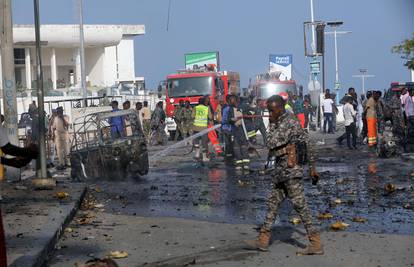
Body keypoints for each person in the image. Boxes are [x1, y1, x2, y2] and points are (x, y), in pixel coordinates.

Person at [244, 95, 322, 255]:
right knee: (273, 204)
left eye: (271, 111)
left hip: (291, 170)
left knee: (301, 206)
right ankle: (263, 240)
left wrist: (312, 167)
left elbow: (273, 143)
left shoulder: (288, 122)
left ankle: (316, 243)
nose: (269, 114)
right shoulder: (279, 121)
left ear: (280, 109)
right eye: (268, 111)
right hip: (281, 170)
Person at [226, 95, 250, 170]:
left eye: (231, 100)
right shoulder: (230, 109)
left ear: (235, 100)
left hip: (243, 129)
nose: (229, 101)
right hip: (235, 129)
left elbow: (250, 113)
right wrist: (232, 120)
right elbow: (228, 120)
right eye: (229, 100)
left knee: (243, 146)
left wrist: (245, 115)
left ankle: (246, 163)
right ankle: (239, 163)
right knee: (236, 147)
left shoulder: (243, 106)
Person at [192, 96, 213, 162]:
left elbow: (192, 116)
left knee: (196, 142)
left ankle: (197, 154)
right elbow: (210, 117)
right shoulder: (207, 108)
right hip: (204, 128)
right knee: (204, 143)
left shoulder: (195, 108)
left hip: (196, 127)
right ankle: (204, 158)